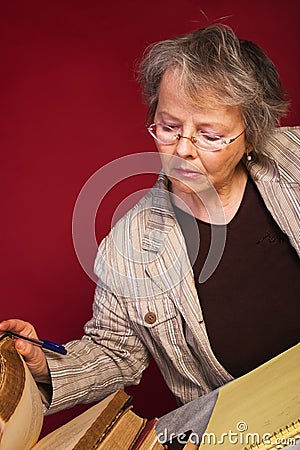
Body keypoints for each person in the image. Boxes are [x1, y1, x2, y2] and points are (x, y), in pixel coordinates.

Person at [0, 24, 299, 416]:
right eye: (170, 127)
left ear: (252, 132)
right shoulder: (126, 248)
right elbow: (113, 352)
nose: (182, 150)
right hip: (244, 429)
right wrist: (44, 369)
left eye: (209, 135)